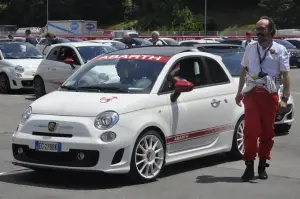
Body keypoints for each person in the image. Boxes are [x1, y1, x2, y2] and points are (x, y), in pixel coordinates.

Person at [235, 16, 291, 181]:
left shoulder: (280, 50)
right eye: (257, 29)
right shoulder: (250, 48)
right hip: (252, 93)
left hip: (270, 94)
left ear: (271, 31)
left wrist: (285, 98)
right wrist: (239, 92)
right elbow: (243, 70)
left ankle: (262, 165)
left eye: (262, 29)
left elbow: (286, 76)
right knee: (250, 131)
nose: (258, 33)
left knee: (267, 132)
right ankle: (249, 165)